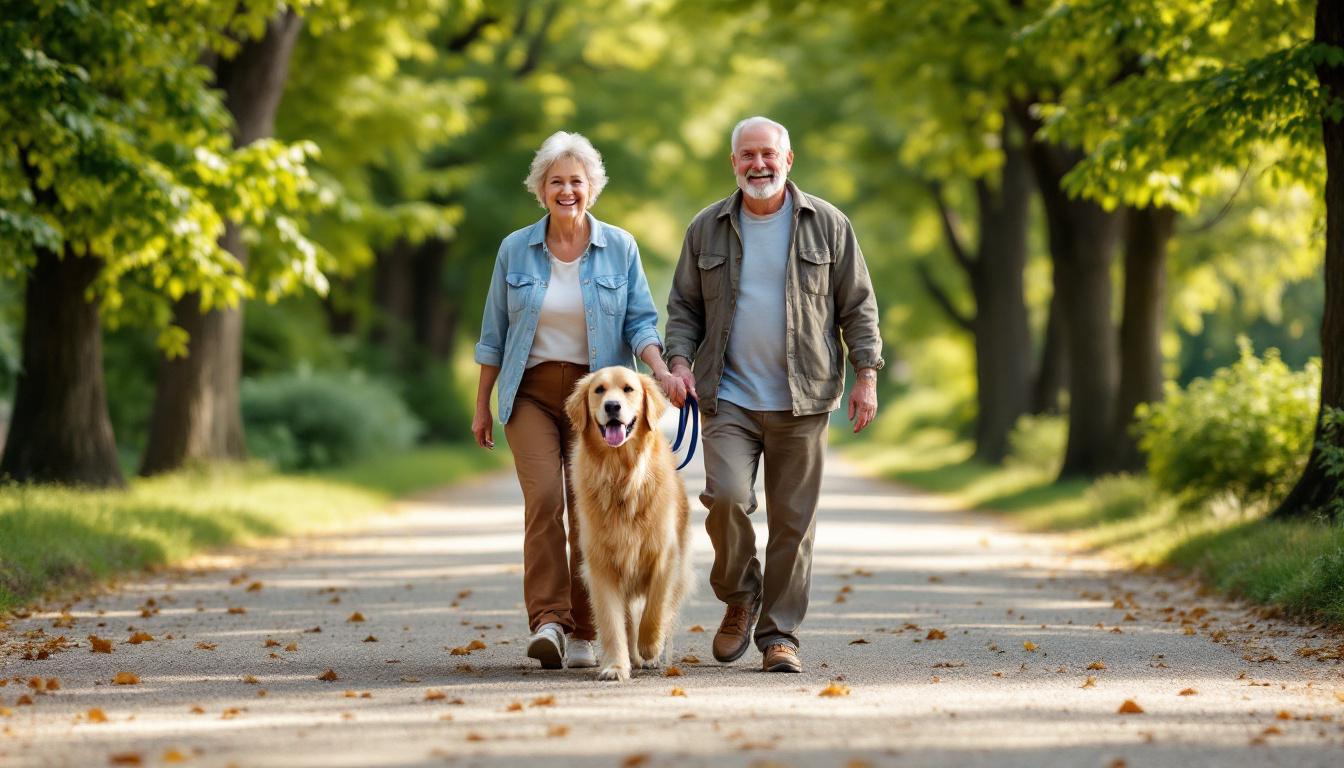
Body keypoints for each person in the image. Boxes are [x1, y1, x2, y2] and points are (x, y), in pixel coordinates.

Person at [661, 116, 883, 673]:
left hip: (804, 399)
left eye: (767, 154)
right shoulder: (706, 228)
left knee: (793, 523)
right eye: (747, 155)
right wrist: (679, 363)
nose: (758, 164)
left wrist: (867, 374)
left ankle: (780, 634)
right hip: (727, 395)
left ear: (788, 159)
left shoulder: (828, 224)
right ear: (733, 163)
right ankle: (741, 596)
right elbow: (684, 308)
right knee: (726, 499)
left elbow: (858, 305)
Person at [473, 131, 676, 670]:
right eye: (556, 182)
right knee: (545, 500)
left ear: (592, 188)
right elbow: (493, 334)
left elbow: (640, 321)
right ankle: (549, 621)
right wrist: (482, 403)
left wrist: (659, 370)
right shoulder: (515, 249)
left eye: (576, 181)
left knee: (593, 510)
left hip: (598, 401)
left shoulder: (620, 247)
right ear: (541, 189)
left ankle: (589, 631)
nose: (567, 190)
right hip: (531, 394)